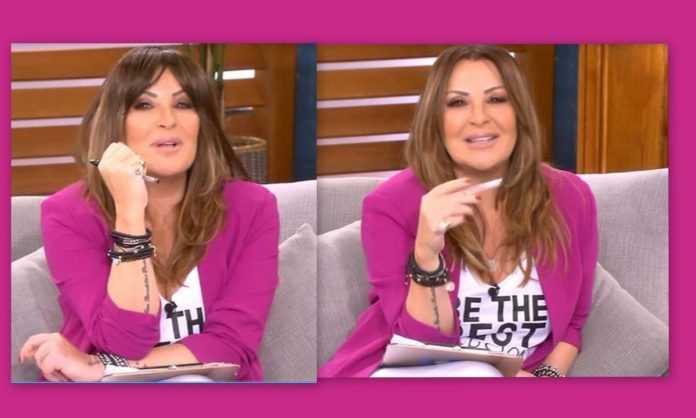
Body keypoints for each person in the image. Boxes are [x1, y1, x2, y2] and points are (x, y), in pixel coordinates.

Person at [319, 45, 598, 378]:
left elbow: (573, 324)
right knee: (477, 375)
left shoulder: (570, 197)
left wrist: (546, 379)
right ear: (436, 120)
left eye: (497, 98)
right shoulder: (390, 206)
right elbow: (421, 345)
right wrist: (426, 252)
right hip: (411, 378)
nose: (479, 117)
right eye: (457, 103)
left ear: (519, 112)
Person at [19, 47, 280, 382]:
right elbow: (124, 341)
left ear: (202, 123)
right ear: (116, 122)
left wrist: (101, 365)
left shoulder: (252, 207)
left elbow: (232, 345)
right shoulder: (68, 215)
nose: (168, 120)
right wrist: (130, 213)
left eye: (183, 104)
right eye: (144, 104)